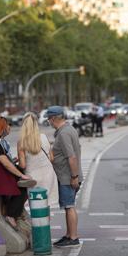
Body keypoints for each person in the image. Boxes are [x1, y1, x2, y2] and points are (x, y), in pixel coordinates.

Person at [46, 106, 82, 248]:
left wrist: (74, 176)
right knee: (68, 207)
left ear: (54, 118)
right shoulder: (68, 129)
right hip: (68, 175)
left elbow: (71, 157)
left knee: (69, 206)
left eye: (49, 119)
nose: (48, 122)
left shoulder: (64, 134)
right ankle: (69, 234)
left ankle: (73, 237)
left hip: (68, 177)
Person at [18, 113, 59, 207]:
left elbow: (23, 165)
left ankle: (36, 222)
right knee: (46, 206)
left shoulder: (22, 142)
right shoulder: (44, 137)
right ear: (36, 124)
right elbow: (51, 158)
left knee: (35, 206)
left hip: (32, 177)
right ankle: (46, 222)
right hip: (48, 176)